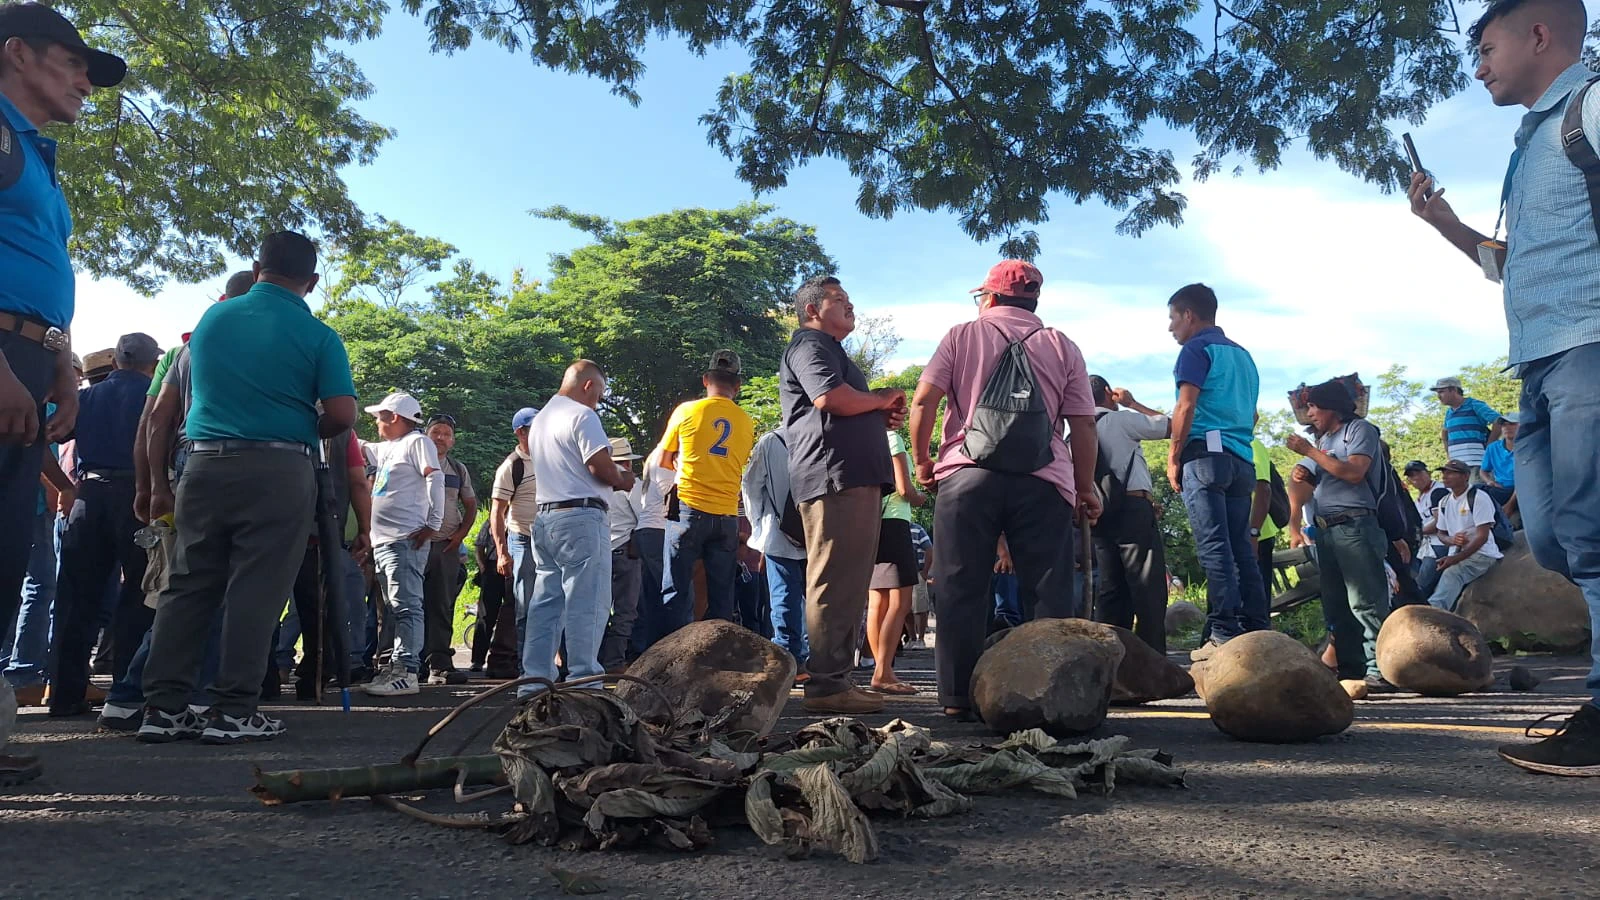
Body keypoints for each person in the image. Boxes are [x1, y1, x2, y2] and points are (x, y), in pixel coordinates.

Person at [1408, 0, 1600, 775]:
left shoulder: (1590, 105)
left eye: (1486, 49)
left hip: (1591, 346)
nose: (1479, 66)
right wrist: (1445, 223)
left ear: (1540, 35)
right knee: (1553, 538)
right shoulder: (1534, 143)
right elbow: (1515, 263)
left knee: (1590, 533)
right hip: (1541, 363)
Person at [140, 231, 356, 744]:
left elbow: (164, 412)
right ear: (313, 280)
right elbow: (343, 414)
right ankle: (233, 708)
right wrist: (303, 423)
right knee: (256, 587)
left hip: (204, 463)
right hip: (280, 468)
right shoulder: (319, 335)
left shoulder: (212, 321)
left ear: (257, 266)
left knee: (188, 582)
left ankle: (162, 707)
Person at [0, 1, 125, 782]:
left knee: (9, 553)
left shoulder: (33, 151)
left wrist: (65, 363)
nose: (88, 79)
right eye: (73, 61)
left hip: (30, 360)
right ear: (17, 53)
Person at [910, 260, 1098, 720]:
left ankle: (957, 698)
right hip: (1044, 479)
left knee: (960, 584)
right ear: (1034, 301)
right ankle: (1044, 695)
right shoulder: (1061, 344)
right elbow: (1083, 424)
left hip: (967, 475)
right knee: (1047, 589)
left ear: (989, 297)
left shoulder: (961, 335)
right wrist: (1084, 485)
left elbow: (923, 401)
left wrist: (921, 461)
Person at [780, 275, 904, 715]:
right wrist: (880, 399)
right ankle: (828, 686)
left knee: (849, 583)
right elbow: (830, 398)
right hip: (835, 478)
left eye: (850, 298)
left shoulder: (831, 350)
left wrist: (874, 411)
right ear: (813, 310)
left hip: (851, 478)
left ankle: (837, 681)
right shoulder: (809, 347)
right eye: (839, 299)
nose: (850, 305)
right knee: (834, 581)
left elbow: (844, 402)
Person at [47, 333, 161, 717]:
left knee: (77, 597)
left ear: (115, 363)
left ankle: (65, 694)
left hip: (89, 494)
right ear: (152, 363)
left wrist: (66, 486)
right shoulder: (155, 397)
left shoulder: (87, 397)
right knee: (139, 596)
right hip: (137, 494)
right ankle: (127, 693)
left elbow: (51, 435)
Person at [1164, 283, 1268, 652]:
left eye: (1173, 318)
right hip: (1241, 459)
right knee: (1241, 547)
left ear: (1189, 315)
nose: (1171, 327)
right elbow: (1252, 413)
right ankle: (1256, 624)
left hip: (1205, 457)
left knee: (1214, 546)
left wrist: (1174, 456)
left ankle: (1223, 629)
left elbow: (1186, 407)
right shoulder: (1243, 355)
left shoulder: (1196, 349)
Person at [521, 361, 634, 695]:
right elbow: (599, 465)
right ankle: (585, 682)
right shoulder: (582, 415)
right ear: (587, 386)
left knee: (546, 604)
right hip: (582, 517)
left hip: (545, 517)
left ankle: (534, 683)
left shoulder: (541, 419)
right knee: (588, 602)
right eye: (598, 393)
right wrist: (623, 479)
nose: (598, 401)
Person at [1285, 381, 1392, 690]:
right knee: (1336, 603)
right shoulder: (1323, 440)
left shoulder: (1359, 430)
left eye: (1315, 407)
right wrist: (1294, 517)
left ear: (1332, 407)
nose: (1310, 413)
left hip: (1355, 525)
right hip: (1325, 529)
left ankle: (1379, 668)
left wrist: (1309, 452)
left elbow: (1353, 471)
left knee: (1365, 600)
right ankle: (1350, 669)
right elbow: (1301, 478)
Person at [133, 270, 255, 524]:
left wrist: (151, 487)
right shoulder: (280, 342)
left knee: (195, 555)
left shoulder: (185, 351)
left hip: (195, 459)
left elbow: (154, 418)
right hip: (259, 460)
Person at [657, 350, 756, 634]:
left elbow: (664, 459)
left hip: (689, 508)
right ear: (737, 385)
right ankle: (718, 660)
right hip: (726, 516)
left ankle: (672, 663)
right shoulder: (746, 422)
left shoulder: (686, 411)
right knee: (722, 595)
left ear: (705, 380)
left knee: (675, 590)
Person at [360, 391, 444, 697]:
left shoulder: (417, 442)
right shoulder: (392, 448)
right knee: (396, 607)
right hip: (386, 541)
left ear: (395, 417)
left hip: (404, 538)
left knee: (407, 605)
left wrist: (432, 523)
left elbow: (434, 477)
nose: (377, 423)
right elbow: (363, 448)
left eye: (380, 417)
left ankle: (407, 671)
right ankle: (396, 667)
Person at [1089, 376, 1171, 653]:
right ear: (1108, 394)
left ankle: (1112, 659)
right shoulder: (1120, 420)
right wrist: (1131, 403)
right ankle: (1152, 660)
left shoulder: (1076, 430)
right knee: (1147, 585)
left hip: (1098, 512)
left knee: (1111, 590)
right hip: (1133, 508)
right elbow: (1172, 426)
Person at [741, 427, 809, 673]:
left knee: (783, 596)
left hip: (778, 531)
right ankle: (822, 657)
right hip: (818, 531)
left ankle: (791, 661)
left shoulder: (771, 441)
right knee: (819, 596)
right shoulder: (823, 436)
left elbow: (751, 484)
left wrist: (757, 524)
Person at [865, 427, 926, 694]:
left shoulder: (863, 439)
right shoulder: (891, 437)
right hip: (895, 520)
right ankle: (883, 672)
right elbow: (904, 489)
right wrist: (922, 497)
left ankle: (880, 668)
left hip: (871, 524)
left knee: (877, 602)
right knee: (901, 601)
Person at [420, 413, 476, 684]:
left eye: (446, 434)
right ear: (425, 435)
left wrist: (460, 537)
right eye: (435, 432)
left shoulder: (457, 468)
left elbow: (471, 505)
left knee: (442, 605)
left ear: (452, 441)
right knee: (407, 605)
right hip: (414, 544)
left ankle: (440, 663)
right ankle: (406, 664)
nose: (440, 438)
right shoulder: (413, 460)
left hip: (445, 547)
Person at [490, 406, 539, 674]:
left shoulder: (552, 459)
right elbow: (496, 511)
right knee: (525, 607)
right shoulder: (512, 465)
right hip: (522, 540)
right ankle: (526, 670)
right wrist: (502, 551)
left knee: (554, 606)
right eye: (534, 428)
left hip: (551, 542)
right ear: (520, 432)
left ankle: (548, 667)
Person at [1423, 460, 1504, 612]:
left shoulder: (1479, 498)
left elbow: (1482, 537)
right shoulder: (1444, 502)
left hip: (1482, 554)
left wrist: (1454, 559)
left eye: (1451, 473)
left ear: (1466, 476)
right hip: (1456, 553)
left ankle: (1432, 614)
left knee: (1453, 574)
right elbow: (1441, 533)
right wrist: (1451, 540)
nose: (1445, 476)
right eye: (1444, 473)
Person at [629, 445, 676, 655]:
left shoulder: (654, 457)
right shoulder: (665, 456)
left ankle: (649, 649)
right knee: (672, 591)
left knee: (652, 595)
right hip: (659, 530)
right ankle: (668, 649)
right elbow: (670, 488)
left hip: (650, 529)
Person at [601, 436, 643, 672]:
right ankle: (615, 661)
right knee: (626, 610)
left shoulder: (597, 484)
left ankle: (596, 659)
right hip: (626, 551)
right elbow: (643, 517)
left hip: (602, 552)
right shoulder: (631, 486)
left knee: (599, 609)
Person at [468, 514, 518, 677]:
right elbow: (479, 546)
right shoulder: (491, 521)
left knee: (515, 612)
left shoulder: (521, 518)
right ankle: (477, 660)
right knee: (485, 615)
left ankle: (514, 658)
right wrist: (483, 568)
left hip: (516, 569)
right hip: (493, 567)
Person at [1430, 377, 1502, 482]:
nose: (1439, 396)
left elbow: (1498, 421)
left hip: (1477, 464)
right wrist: (1449, 454)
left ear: (1454, 390)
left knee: (1478, 493)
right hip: (1458, 467)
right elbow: (1445, 433)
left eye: (1441, 392)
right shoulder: (1449, 412)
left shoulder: (1474, 405)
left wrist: (1490, 445)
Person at [1403, 460, 1452, 598]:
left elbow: (1440, 523)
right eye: (1412, 476)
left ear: (1428, 473)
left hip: (1441, 545)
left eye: (1418, 473)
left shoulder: (1439, 491)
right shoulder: (1420, 497)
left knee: (1421, 585)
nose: (1416, 478)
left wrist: (1416, 532)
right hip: (1425, 546)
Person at [1480, 413, 1520, 518]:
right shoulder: (1493, 447)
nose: (1507, 428)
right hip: (1502, 489)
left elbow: (1527, 480)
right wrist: (1489, 481)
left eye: (1512, 424)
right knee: (1476, 490)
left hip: (1523, 489)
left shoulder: (1528, 446)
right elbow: (1483, 470)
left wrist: (1509, 505)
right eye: (1504, 425)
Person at [906, 521, 933, 651]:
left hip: (918, 572)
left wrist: (925, 572)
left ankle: (921, 639)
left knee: (920, 606)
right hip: (903, 572)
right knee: (905, 608)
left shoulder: (917, 530)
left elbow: (929, 548)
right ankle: (912, 638)